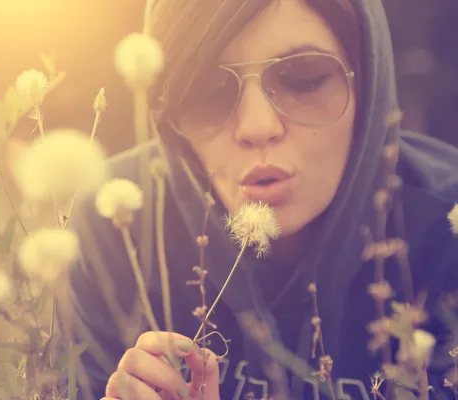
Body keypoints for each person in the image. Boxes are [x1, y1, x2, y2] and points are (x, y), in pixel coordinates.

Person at [67, 0, 458, 398]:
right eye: (208, 88)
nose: (257, 126)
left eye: (305, 79)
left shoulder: (449, 227)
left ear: (369, 81)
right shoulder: (117, 223)